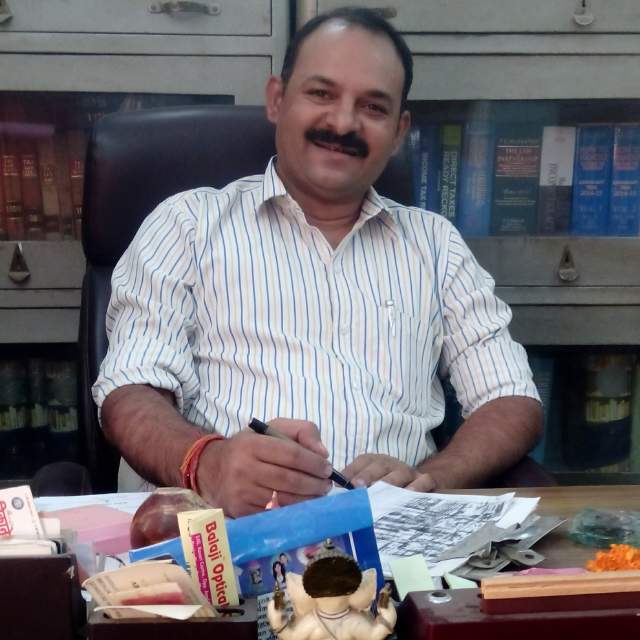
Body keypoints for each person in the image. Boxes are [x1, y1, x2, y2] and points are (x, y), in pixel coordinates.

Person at [94, 7, 542, 518]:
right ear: (277, 100)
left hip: (391, 537)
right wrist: (210, 464)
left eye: (372, 107)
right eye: (322, 94)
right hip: (223, 536)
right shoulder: (188, 224)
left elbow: (511, 399)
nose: (343, 123)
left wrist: (433, 479)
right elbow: (130, 393)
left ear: (399, 131)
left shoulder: (435, 245)